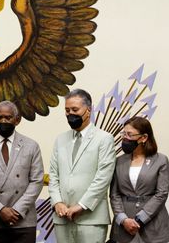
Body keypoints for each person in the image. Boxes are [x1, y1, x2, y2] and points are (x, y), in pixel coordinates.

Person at [0, 101, 44, 243]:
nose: (3, 121)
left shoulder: (31, 146)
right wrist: (0, 210)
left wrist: (16, 211)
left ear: (17, 120)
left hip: (23, 221)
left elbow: (37, 181)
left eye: (7, 117)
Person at [48, 88, 116, 243]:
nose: (70, 114)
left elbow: (103, 178)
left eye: (75, 109)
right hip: (62, 217)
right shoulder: (60, 139)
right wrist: (57, 202)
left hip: (91, 218)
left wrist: (81, 205)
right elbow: (53, 174)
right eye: (67, 110)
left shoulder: (104, 139)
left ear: (88, 110)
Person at [110, 117, 169, 243]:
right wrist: (123, 220)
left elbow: (162, 193)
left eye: (130, 134)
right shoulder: (119, 161)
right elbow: (114, 194)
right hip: (124, 227)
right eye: (124, 133)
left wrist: (140, 219)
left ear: (144, 138)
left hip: (153, 225)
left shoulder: (161, 160)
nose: (125, 138)